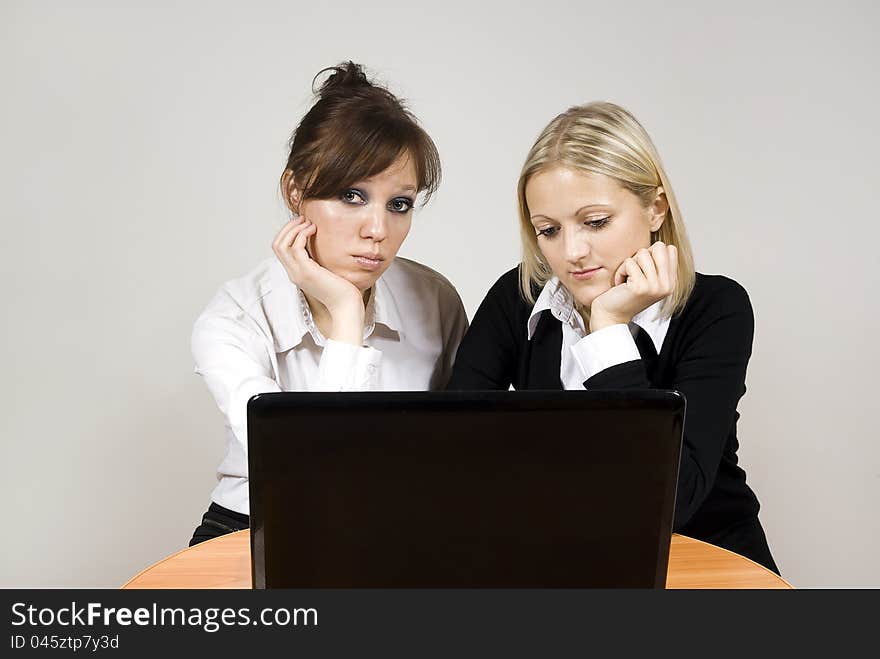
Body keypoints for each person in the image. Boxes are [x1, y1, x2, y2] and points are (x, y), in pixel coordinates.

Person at [447, 101, 779, 574]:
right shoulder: (516, 298)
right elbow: (452, 457)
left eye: (595, 222)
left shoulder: (716, 308)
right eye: (548, 230)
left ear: (655, 208)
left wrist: (607, 329)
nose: (572, 252)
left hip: (704, 558)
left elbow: (673, 502)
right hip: (561, 564)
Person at [189, 62, 468, 546]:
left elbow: (463, 452)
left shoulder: (434, 299)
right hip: (256, 529)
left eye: (398, 204)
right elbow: (314, 474)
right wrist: (345, 312)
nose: (378, 230)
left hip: (401, 532)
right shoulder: (233, 317)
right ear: (295, 191)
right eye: (351, 195)